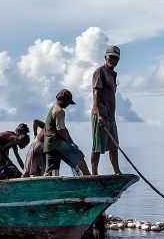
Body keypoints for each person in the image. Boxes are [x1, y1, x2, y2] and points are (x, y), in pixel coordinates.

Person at [43, 89, 90, 176]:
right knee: (78, 155)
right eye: (67, 102)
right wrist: (69, 144)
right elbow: (60, 131)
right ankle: (89, 177)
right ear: (61, 100)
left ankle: (47, 185)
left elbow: (64, 129)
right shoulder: (59, 111)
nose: (68, 104)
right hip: (55, 142)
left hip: (48, 144)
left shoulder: (53, 108)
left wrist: (71, 143)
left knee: (51, 170)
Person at [90, 45, 121, 175]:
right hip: (100, 114)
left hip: (111, 116)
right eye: (111, 57)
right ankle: (94, 174)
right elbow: (96, 93)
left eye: (116, 58)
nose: (114, 60)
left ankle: (117, 172)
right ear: (106, 57)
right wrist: (98, 114)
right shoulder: (100, 71)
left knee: (114, 146)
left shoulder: (112, 74)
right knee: (98, 146)